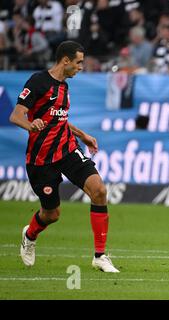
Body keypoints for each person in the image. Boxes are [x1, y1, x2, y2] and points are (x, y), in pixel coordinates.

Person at [9, 41, 119, 273]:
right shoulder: (38, 81)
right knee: (52, 214)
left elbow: (58, 119)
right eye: (78, 62)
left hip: (68, 149)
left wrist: (83, 135)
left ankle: (100, 256)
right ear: (65, 61)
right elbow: (16, 116)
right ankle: (29, 235)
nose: (81, 67)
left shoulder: (64, 87)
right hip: (41, 159)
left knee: (98, 190)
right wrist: (31, 125)